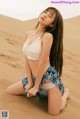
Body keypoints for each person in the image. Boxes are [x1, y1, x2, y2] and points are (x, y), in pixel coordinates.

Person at [6, 7, 69, 116]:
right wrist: (30, 82)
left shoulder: (47, 36)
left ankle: (65, 94)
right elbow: (26, 58)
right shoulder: (28, 34)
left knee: (54, 112)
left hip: (48, 79)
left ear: (52, 25)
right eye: (45, 12)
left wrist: (36, 87)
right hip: (34, 78)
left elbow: (43, 62)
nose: (45, 15)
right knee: (9, 90)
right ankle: (39, 90)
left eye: (50, 16)